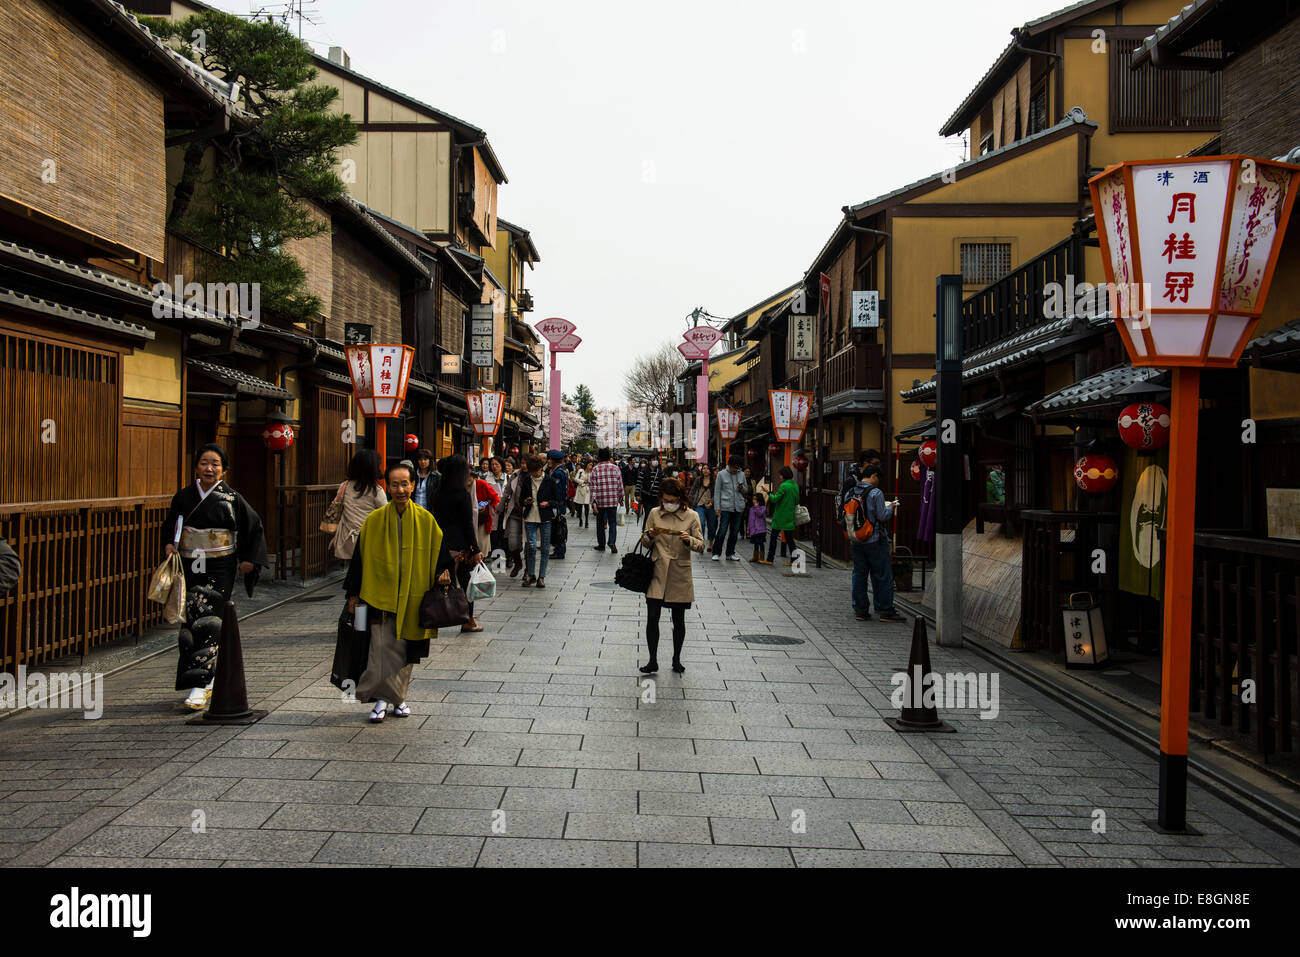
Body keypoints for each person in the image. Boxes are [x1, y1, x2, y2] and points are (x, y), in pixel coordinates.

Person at [162, 443, 267, 711]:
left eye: (215, 464)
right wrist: (169, 544)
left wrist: (248, 559)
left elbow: (253, 526)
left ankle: (204, 681)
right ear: (196, 467)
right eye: (204, 463)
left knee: (209, 618)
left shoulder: (232, 498)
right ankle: (196, 679)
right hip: (190, 561)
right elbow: (172, 524)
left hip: (220, 565)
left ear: (224, 470)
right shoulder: (184, 497)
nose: (209, 468)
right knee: (189, 618)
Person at [344, 462, 449, 722]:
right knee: (380, 649)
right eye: (395, 484)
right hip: (380, 595)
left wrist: (443, 573)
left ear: (413, 485)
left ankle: (398, 698)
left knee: (404, 651)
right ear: (386, 487)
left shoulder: (426, 520)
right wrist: (354, 594)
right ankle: (382, 699)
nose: (400, 489)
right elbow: (359, 559)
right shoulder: (375, 520)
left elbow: (440, 554)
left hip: (414, 596)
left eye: (405, 484)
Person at [637, 478, 705, 674]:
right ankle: (652, 660)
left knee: (678, 619)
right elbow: (645, 542)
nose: (669, 503)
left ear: (680, 498)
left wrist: (688, 540)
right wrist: (649, 535)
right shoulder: (653, 513)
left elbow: (701, 545)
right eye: (666, 499)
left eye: (673, 500)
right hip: (657, 570)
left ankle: (676, 659)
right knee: (652, 617)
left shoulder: (691, 516)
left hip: (679, 572)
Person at [432, 455, 486, 633]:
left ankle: (436, 613)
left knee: (442, 581)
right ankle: (468, 620)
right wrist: (475, 549)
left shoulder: (437, 493)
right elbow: (467, 524)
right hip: (460, 546)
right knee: (467, 584)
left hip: (441, 543)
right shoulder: (462, 495)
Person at [845, 464, 904, 623]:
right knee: (881, 575)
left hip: (856, 539)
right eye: (878, 478)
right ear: (874, 476)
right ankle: (885, 610)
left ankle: (860, 610)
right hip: (874, 539)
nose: (878, 481)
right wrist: (891, 507)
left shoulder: (850, 491)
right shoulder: (875, 493)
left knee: (859, 575)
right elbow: (882, 515)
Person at [330, 449, 387, 560]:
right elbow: (386, 514)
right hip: (370, 539)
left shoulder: (345, 486)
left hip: (348, 538)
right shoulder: (376, 491)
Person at [521, 453, 557, 588]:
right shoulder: (527, 480)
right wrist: (525, 501)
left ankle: (541, 577)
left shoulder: (549, 481)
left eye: (535, 471)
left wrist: (548, 503)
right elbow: (521, 499)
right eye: (531, 472)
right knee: (530, 546)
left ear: (541, 468)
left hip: (545, 517)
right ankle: (531, 574)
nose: (534, 475)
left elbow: (557, 500)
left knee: (545, 548)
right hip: (530, 516)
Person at [710, 455, 746, 562]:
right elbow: (717, 492)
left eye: (737, 467)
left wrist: (741, 488)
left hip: (738, 507)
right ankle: (716, 552)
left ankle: (730, 553)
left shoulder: (742, 474)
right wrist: (717, 507)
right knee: (722, 530)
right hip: (725, 506)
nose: (735, 469)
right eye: (734, 467)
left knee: (734, 532)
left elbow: (746, 490)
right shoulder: (721, 474)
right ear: (729, 465)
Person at [588, 447, 624, 553]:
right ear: (609, 456)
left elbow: (593, 487)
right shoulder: (615, 468)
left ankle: (601, 544)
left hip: (600, 501)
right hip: (612, 500)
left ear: (599, 457)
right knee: (612, 522)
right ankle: (612, 541)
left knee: (600, 523)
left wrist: (593, 502)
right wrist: (621, 498)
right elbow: (620, 484)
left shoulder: (595, 469)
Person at [765, 466, 800, 565]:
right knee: (789, 539)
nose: (779, 477)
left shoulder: (784, 486)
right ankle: (795, 560)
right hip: (790, 515)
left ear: (784, 475)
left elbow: (775, 499)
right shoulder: (795, 486)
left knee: (773, 537)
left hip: (780, 516)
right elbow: (797, 500)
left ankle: (770, 559)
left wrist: (768, 493)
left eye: (780, 475)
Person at [688, 464, 718, 552]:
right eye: (704, 468)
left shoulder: (714, 480)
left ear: (710, 471)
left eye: (707, 469)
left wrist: (712, 502)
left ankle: (711, 543)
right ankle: (702, 543)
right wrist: (689, 501)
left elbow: (716, 493)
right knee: (701, 524)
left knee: (711, 525)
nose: (705, 470)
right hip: (699, 505)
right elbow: (692, 491)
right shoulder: (698, 480)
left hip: (711, 506)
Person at [547, 450, 569, 560]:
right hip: (561, 504)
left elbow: (557, 491)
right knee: (559, 526)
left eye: (550, 459)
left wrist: (554, 504)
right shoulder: (563, 470)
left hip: (557, 505)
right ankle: (559, 549)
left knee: (558, 527)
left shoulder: (557, 473)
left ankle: (560, 550)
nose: (548, 461)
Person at [635, 455, 663, 528]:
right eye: (654, 459)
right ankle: (645, 530)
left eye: (656, 459)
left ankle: (653, 530)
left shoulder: (659, 472)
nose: (655, 461)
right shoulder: (644, 471)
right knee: (648, 514)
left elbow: (663, 484)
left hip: (656, 497)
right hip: (646, 497)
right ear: (650, 461)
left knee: (656, 515)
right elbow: (639, 483)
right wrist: (637, 494)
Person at [747, 492, 770, 564]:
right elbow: (750, 519)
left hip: (760, 530)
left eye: (755, 499)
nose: (753, 501)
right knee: (755, 543)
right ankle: (755, 557)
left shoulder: (763, 508)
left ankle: (762, 557)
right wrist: (748, 529)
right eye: (753, 499)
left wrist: (756, 507)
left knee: (761, 543)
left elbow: (760, 514)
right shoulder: (751, 509)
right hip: (754, 530)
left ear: (759, 500)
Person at [573, 459, 591, 528]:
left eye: (591, 465)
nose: (590, 466)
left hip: (587, 490)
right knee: (579, 506)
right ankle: (580, 519)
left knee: (587, 506)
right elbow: (575, 479)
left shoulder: (591, 472)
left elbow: (590, 481)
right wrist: (583, 481)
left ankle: (586, 521)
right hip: (580, 489)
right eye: (589, 465)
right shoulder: (581, 471)